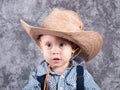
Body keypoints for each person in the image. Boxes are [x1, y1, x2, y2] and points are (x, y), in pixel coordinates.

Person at [20, 8, 103, 90]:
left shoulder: (81, 75)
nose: (54, 51)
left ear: (73, 47)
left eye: (62, 45)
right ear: (41, 47)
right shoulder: (39, 75)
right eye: (49, 45)